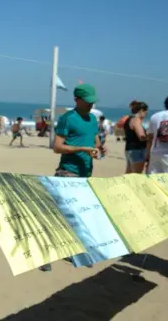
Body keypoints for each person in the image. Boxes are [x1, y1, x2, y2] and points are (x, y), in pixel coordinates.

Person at [41, 83, 106, 272]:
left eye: (93, 102)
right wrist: (82, 149)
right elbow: (57, 147)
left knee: (77, 215)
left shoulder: (93, 119)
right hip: (67, 172)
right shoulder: (68, 118)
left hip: (86, 173)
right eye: (87, 102)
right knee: (60, 215)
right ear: (77, 100)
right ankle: (46, 254)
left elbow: (95, 141)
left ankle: (71, 251)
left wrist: (99, 149)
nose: (91, 105)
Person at [124, 102, 149, 173]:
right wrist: (151, 137)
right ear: (141, 111)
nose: (146, 113)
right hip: (137, 150)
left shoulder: (128, 119)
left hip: (129, 149)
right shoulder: (136, 120)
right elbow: (141, 137)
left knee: (129, 174)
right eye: (146, 111)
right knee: (136, 175)